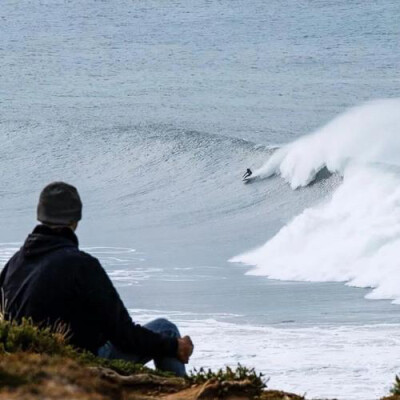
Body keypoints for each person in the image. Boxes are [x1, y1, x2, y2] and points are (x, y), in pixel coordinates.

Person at [0, 182, 193, 376]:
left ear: (40, 215)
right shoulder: (82, 265)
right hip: (79, 365)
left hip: (23, 365)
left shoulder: (15, 262)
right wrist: (173, 346)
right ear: (75, 220)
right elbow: (124, 334)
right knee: (166, 330)